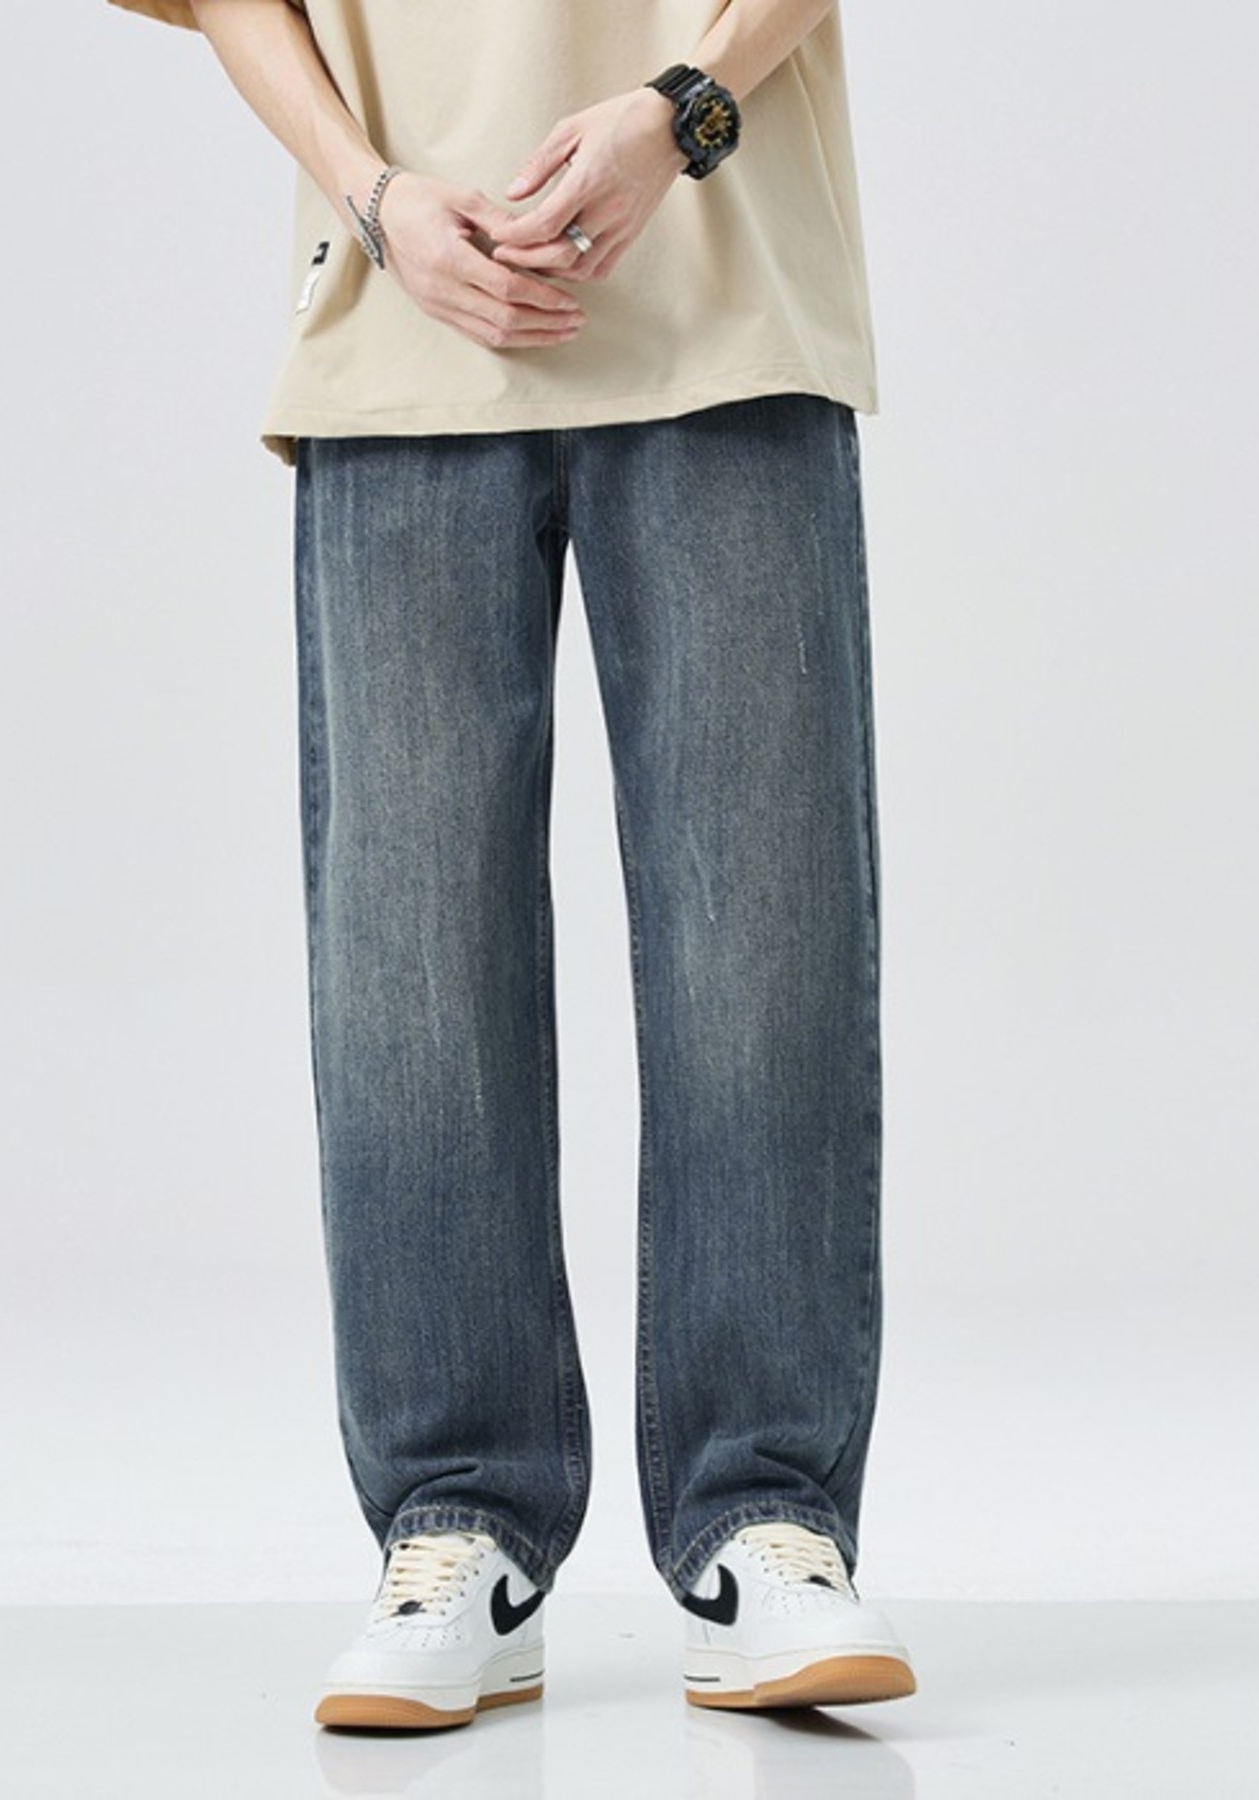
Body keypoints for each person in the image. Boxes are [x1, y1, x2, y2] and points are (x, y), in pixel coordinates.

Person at [110, 0, 918, 1730]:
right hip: (400, 320)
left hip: (730, 302)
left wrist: (683, 109)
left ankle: (765, 1521)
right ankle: (455, 1524)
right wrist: (374, 195)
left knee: (764, 943)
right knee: (408, 970)